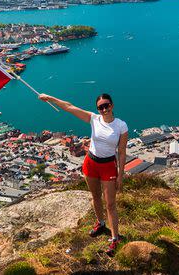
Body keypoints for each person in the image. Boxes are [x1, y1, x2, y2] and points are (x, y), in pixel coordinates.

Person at [38, 92, 128, 256]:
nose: (104, 109)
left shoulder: (121, 126)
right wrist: (50, 98)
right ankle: (100, 223)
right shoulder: (94, 119)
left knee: (110, 204)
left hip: (108, 165)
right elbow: (69, 107)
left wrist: (121, 175)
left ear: (112, 106)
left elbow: (122, 152)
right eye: (101, 107)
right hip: (91, 163)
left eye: (107, 105)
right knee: (95, 196)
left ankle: (115, 238)